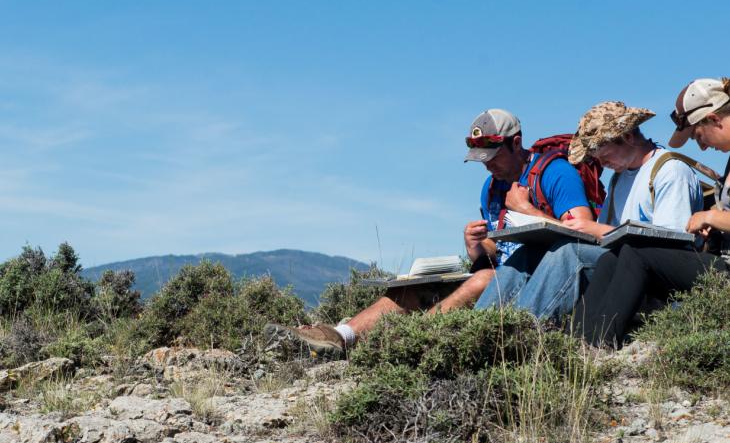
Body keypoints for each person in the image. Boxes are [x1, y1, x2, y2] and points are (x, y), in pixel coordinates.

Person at [265, 108, 592, 359]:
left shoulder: (556, 173)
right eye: (481, 159)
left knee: (480, 282)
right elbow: (497, 253)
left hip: (536, 278)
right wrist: (477, 247)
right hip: (502, 274)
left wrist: (529, 211)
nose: (486, 166)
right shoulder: (491, 189)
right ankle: (339, 337)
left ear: (516, 143)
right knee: (410, 291)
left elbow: (583, 232)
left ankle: (416, 342)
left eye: (492, 157)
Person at [477, 101, 704, 321]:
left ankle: (522, 331)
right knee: (528, 254)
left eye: (604, 156)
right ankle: (480, 329)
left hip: (653, 277)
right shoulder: (619, 179)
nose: (602, 165)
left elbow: (671, 248)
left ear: (627, 137)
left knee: (569, 254)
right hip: (619, 265)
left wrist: (594, 228)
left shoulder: (670, 172)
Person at [572, 78, 730, 348]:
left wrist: (711, 217)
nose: (702, 147)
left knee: (634, 255)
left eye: (698, 135)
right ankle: (579, 343)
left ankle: (603, 342)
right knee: (612, 259)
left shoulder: (669, 170)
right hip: (719, 261)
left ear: (714, 119)